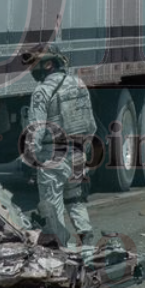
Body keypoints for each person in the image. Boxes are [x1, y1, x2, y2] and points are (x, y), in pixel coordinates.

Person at [21, 44, 97, 259]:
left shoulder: (42, 91)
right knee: (75, 199)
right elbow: (91, 125)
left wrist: (30, 159)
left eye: (35, 66)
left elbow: (37, 129)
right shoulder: (80, 84)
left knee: (52, 205)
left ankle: (62, 253)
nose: (32, 71)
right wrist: (84, 149)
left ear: (48, 64)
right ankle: (88, 244)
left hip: (52, 156)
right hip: (77, 152)